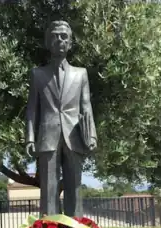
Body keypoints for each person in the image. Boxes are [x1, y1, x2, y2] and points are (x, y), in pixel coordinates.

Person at [26, 20, 97, 217]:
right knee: (48, 187)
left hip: (74, 135)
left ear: (70, 43)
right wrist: (30, 138)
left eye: (64, 36)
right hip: (47, 136)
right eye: (55, 36)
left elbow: (86, 106)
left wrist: (91, 136)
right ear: (48, 42)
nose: (60, 40)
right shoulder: (37, 74)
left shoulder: (80, 74)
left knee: (74, 184)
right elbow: (32, 108)